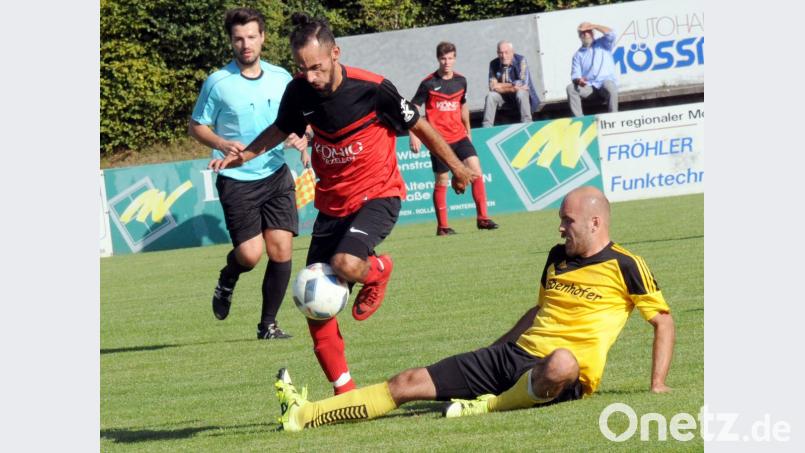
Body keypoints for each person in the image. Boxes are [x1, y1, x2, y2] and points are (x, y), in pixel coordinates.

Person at [210, 13, 475, 395]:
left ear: (335, 53)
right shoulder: (299, 90)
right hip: (331, 207)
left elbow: (419, 123)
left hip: (378, 195)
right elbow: (281, 128)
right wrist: (246, 155)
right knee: (310, 299)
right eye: (302, 68)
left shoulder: (373, 89)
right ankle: (344, 390)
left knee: (346, 264)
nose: (310, 76)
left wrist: (457, 168)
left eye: (316, 67)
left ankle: (379, 269)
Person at [271, 186, 676, 431]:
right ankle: (304, 415)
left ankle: (489, 405)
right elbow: (538, 312)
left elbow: (663, 321)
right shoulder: (557, 256)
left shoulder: (626, 265)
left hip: (561, 374)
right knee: (406, 382)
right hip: (512, 358)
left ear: (595, 223)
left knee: (564, 362)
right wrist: (495, 350)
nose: (560, 228)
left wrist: (657, 384)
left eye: (567, 221)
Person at [189, 8, 309, 340]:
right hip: (237, 178)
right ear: (231, 41)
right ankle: (228, 277)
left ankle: (267, 325)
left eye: (252, 37)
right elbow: (196, 125)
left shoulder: (282, 77)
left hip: (275, 173)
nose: (246, 44)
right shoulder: (218, 82)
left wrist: (301, 136)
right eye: (239, 38)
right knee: (250, 255)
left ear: (263, 38)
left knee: (281, 249)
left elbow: (296, 118)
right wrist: (220, 142)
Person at [409, 42, 499, 236]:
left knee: (476, 170)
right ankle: (442, 227)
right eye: (443, 58)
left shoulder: (461, 81)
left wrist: (468, 129)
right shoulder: (428, 83)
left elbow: (462, 105)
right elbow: (413, 108)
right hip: (438, 140)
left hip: (459, 136)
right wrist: (413, 134)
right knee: (442, 180)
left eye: (450, 58)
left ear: (455, 58)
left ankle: (483, 218)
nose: (447, 62)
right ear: (438, 59)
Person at [482, 41, 540, 128]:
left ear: (512, 52)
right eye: (501, 53)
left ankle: (527, 123)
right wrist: (512, 87)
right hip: (504, 97)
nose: (503, 56)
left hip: (522, 97)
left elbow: (522, 84)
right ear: (497, 53)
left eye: (506, 52)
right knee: (491, 95)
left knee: (521, 92)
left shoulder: (521, 60)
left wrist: (500, 85)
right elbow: (492, 87)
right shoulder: (493, 64)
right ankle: (486, 127)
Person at [566, 22, 619, 117]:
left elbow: (612, 34)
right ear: (579, 36)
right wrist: (579, 80)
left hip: (604, 84)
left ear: (593, 33)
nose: (586, 34)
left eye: (588, 31)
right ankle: (579, 120)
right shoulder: (577, 55)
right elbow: (575, 75)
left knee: (610, 86)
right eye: (583, 32)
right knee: (571, 88)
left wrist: (595, 26)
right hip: (590, 88)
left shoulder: (603, 44)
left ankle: (614, 118)